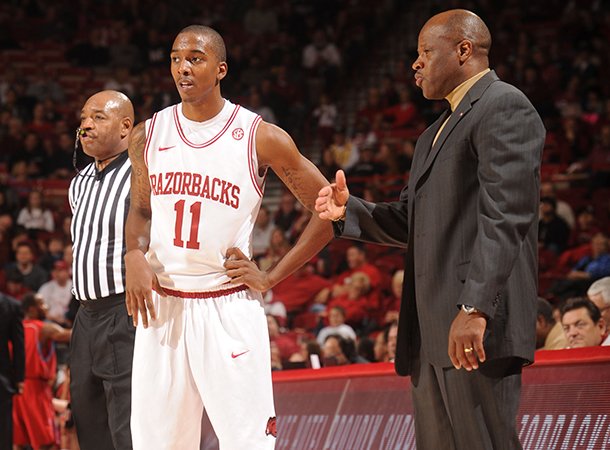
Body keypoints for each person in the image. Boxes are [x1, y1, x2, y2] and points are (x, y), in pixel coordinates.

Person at [315, 9, 545, 449]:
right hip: (432, 329)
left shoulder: (504, 105)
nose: (414, 64)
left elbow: (507, 216)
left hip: (474, 327)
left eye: (424, 52)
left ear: (464, 50)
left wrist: (475, 307)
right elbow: (411, 221)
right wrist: (350, 211)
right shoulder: (433, 133)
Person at [124, 25, 333, 449]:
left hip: (227, 306)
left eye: (195, 58)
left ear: (221, 69)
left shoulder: (259, 137)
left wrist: (272, 277)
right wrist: (132, 252)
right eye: (175, 57)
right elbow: (142, 208)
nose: (183, 67)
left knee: (248, 443)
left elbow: (328, 214)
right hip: (164, 308)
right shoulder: (148, 134)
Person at [68, 90, 135, 450]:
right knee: (89, 421)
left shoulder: (144, 176)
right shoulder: (77, 183)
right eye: (83, 118)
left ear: (126, 126)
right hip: (84, 315)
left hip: (125, 312)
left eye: (97, 117)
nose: (85, 125)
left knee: (125, 427)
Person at [12, 293, 71, 450]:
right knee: (47, 442)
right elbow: (67, 335)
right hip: (36, 390)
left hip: (15, 389)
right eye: (42, 304)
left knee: (18, 442)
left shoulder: (14, 328)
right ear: (32, 308)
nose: (46, 307)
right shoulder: (43, 328)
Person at [0, 293, 24, 450]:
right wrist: (19, 378)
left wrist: (19, 378)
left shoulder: (13, 305)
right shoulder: (11, 305)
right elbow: (18, 344)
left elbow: (18, 344)